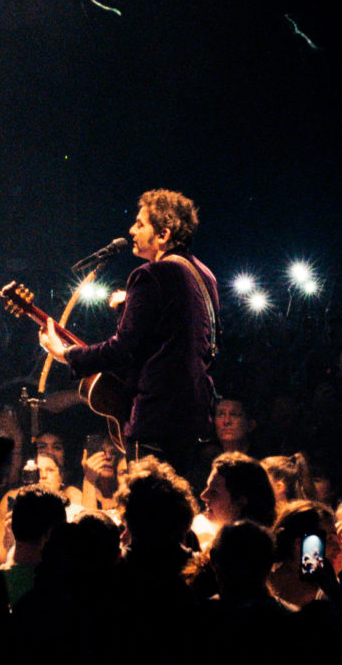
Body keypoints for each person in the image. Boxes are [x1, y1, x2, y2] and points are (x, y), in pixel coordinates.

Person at [36, 190, 219, 486]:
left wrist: (66, 354)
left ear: (163, 234)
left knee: (147, 510)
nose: (131, 230)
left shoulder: (151, 274)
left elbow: (123, 348)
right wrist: (128, 306)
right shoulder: (203, 274)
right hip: (192, 415)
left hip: (155, 418)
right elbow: (175, 334)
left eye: (140, 224)